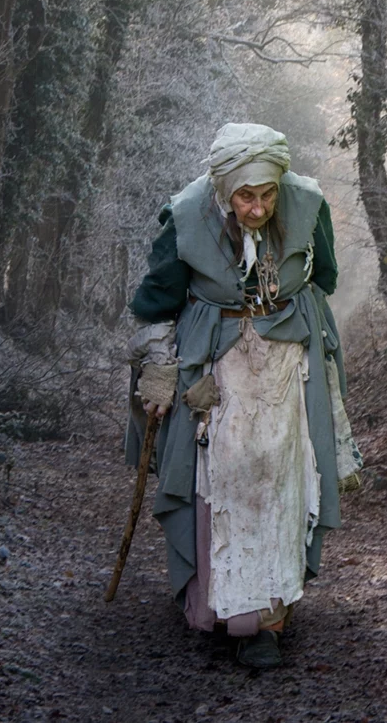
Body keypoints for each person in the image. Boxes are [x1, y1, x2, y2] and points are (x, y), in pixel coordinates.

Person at [126, 122, 362, 669]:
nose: (258, 208)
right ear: (223, 192)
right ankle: (219, 604)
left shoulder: (306, 204)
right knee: (222, 477)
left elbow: (322, 274)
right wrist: (160, 366)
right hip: (217, 367)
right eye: (246, 197)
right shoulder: (186, 216)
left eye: (268, 194)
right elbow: (156, 302)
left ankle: (268, 622)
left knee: (280, 479)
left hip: (286, 368)